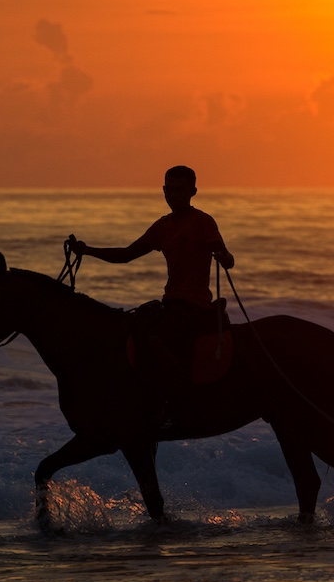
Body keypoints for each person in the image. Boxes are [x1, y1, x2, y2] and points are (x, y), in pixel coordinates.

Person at [69, 165, 235, 425]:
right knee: (131, 332)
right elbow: (126, 254)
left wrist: (224, 257)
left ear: (193, 191)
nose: (174, 195)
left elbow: (225, 255)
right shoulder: (163, 226)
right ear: (163, 190)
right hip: (171, 302)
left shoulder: (202, 221)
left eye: (180, 190)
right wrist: (87, 250)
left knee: (161, 340)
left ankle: (176, 406)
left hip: (195, 305)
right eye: (169, 189)